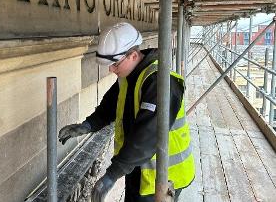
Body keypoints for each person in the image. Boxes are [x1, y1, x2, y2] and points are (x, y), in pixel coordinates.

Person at [58, 22, 195, 202]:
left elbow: (147, 136)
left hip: (164, 175)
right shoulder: (129, 77)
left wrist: (112, 175)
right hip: (138, 167)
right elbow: (110, 105)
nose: (111, 69)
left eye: (115, 64)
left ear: (132, 55)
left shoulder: (160, 83)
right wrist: (87, 125)